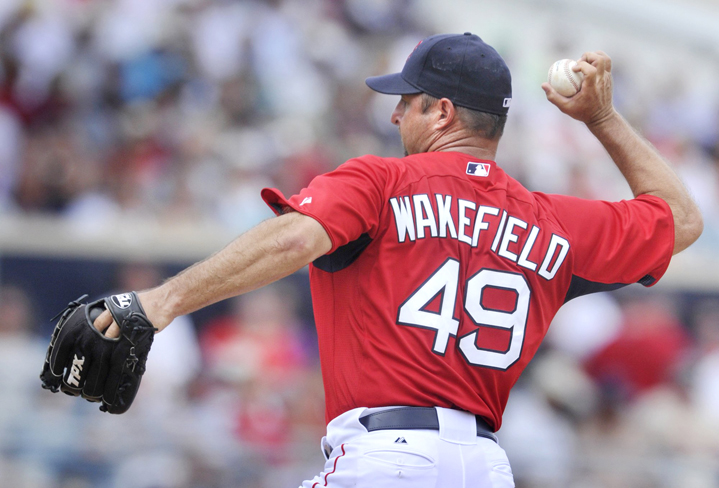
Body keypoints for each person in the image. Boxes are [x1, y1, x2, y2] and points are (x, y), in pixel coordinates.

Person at [93, 33, 703, 487]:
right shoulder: (554, 220)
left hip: (386, 457)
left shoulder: (382, 182)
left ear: (440, 112)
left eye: (407, 101)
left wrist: (155, 304)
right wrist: (602, 117)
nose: (393, 113)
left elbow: (291, 239)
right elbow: (681, 220)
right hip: (486, 467)